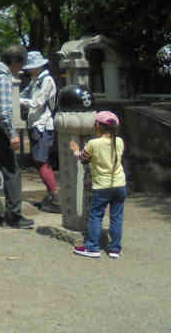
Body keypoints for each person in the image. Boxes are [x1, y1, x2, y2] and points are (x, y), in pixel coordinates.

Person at [0, 44, 34, 228]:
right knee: (12, 171)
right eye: (21, 64)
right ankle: (14, 216)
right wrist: (12, 135)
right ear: (15, 61)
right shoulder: (3, 78)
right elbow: (3, 111)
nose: (21, 69)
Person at [70, 111, 126, 258]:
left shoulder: (93, 144)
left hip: (102, 186)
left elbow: (83, 159)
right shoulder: (119, 141)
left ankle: (92, 247)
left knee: (96, 216)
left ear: (98, 126)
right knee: (117, 217)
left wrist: (75, 150)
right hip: (120, 184)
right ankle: (115, 249)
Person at [19, 50, 60, 213]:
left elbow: (37, 103)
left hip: (43, 124)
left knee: (41, 161)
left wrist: (17, 100)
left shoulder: (46, 80)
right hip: (35, 124)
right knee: (39, 162)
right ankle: (52, 194)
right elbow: (23, 95)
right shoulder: (35, 81)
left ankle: (55, 196)